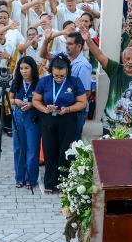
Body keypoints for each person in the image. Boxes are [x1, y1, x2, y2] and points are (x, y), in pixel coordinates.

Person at [33, 56, 88, 195]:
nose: (58, 78)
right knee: (49, 151)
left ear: (67, 71)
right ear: (51, 71)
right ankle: (50, 183)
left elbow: (82, 102)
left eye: (62, 76)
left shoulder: (74, 81)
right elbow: (36, 100)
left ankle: (64, 183)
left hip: (68, 120)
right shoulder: (44, 81)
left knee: (65, 152)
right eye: (56, 75)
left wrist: (68, 109)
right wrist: (45, 109)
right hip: (48, 120)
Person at [10, 56, 41, 189]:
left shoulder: (39, 83)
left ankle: (31, 179)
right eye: (21, 68)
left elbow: (42, 100)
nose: (23, 71)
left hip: (33, 117)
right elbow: (10, 98)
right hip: (18, 116)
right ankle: (20, 178)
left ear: (32, 68)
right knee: (18, 147)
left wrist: (32, 104)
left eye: (26, 68)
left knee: (32, 148)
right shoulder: (16, 82)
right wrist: (15, 101)